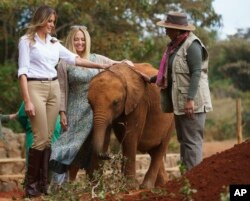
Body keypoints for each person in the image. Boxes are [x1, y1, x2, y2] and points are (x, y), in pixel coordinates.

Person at [17, 5, 110, 198]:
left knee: (49, 137)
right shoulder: (26, 41)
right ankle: (31, 184)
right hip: (35, 87)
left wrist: (101, 64)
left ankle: (43, 183)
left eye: (53, 22)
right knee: (40, 137)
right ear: (40, 20)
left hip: (53, 89)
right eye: (49, 21)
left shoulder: (54, 43)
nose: (51, 25)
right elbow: (23, 72)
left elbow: (75, 60)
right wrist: (27, 101)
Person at [49, 25, 134, 187]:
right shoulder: (64, 63)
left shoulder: (96, 59)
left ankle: (88, 184)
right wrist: (62, 112)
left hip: (95, 113)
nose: (80, 42)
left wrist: (125, 62)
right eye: (76, 39)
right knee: (63, 148)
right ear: (71, 41)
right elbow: (61, 89)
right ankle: (59, 186)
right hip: (74, 111)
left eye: (82, 39)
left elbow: (114, 64)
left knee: (90, 150)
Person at [153, 11, 213, 170]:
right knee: (184, 140)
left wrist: (190, 99)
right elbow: (171, 72)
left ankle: (195, 182)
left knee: (192, 142)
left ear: (177, 30)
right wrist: (152, 79)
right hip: (181, 102)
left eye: (168, 27)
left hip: (192, 102)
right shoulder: (175, 46)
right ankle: (187, 180)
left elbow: (196, 73)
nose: (165, 30)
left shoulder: (192, 45)